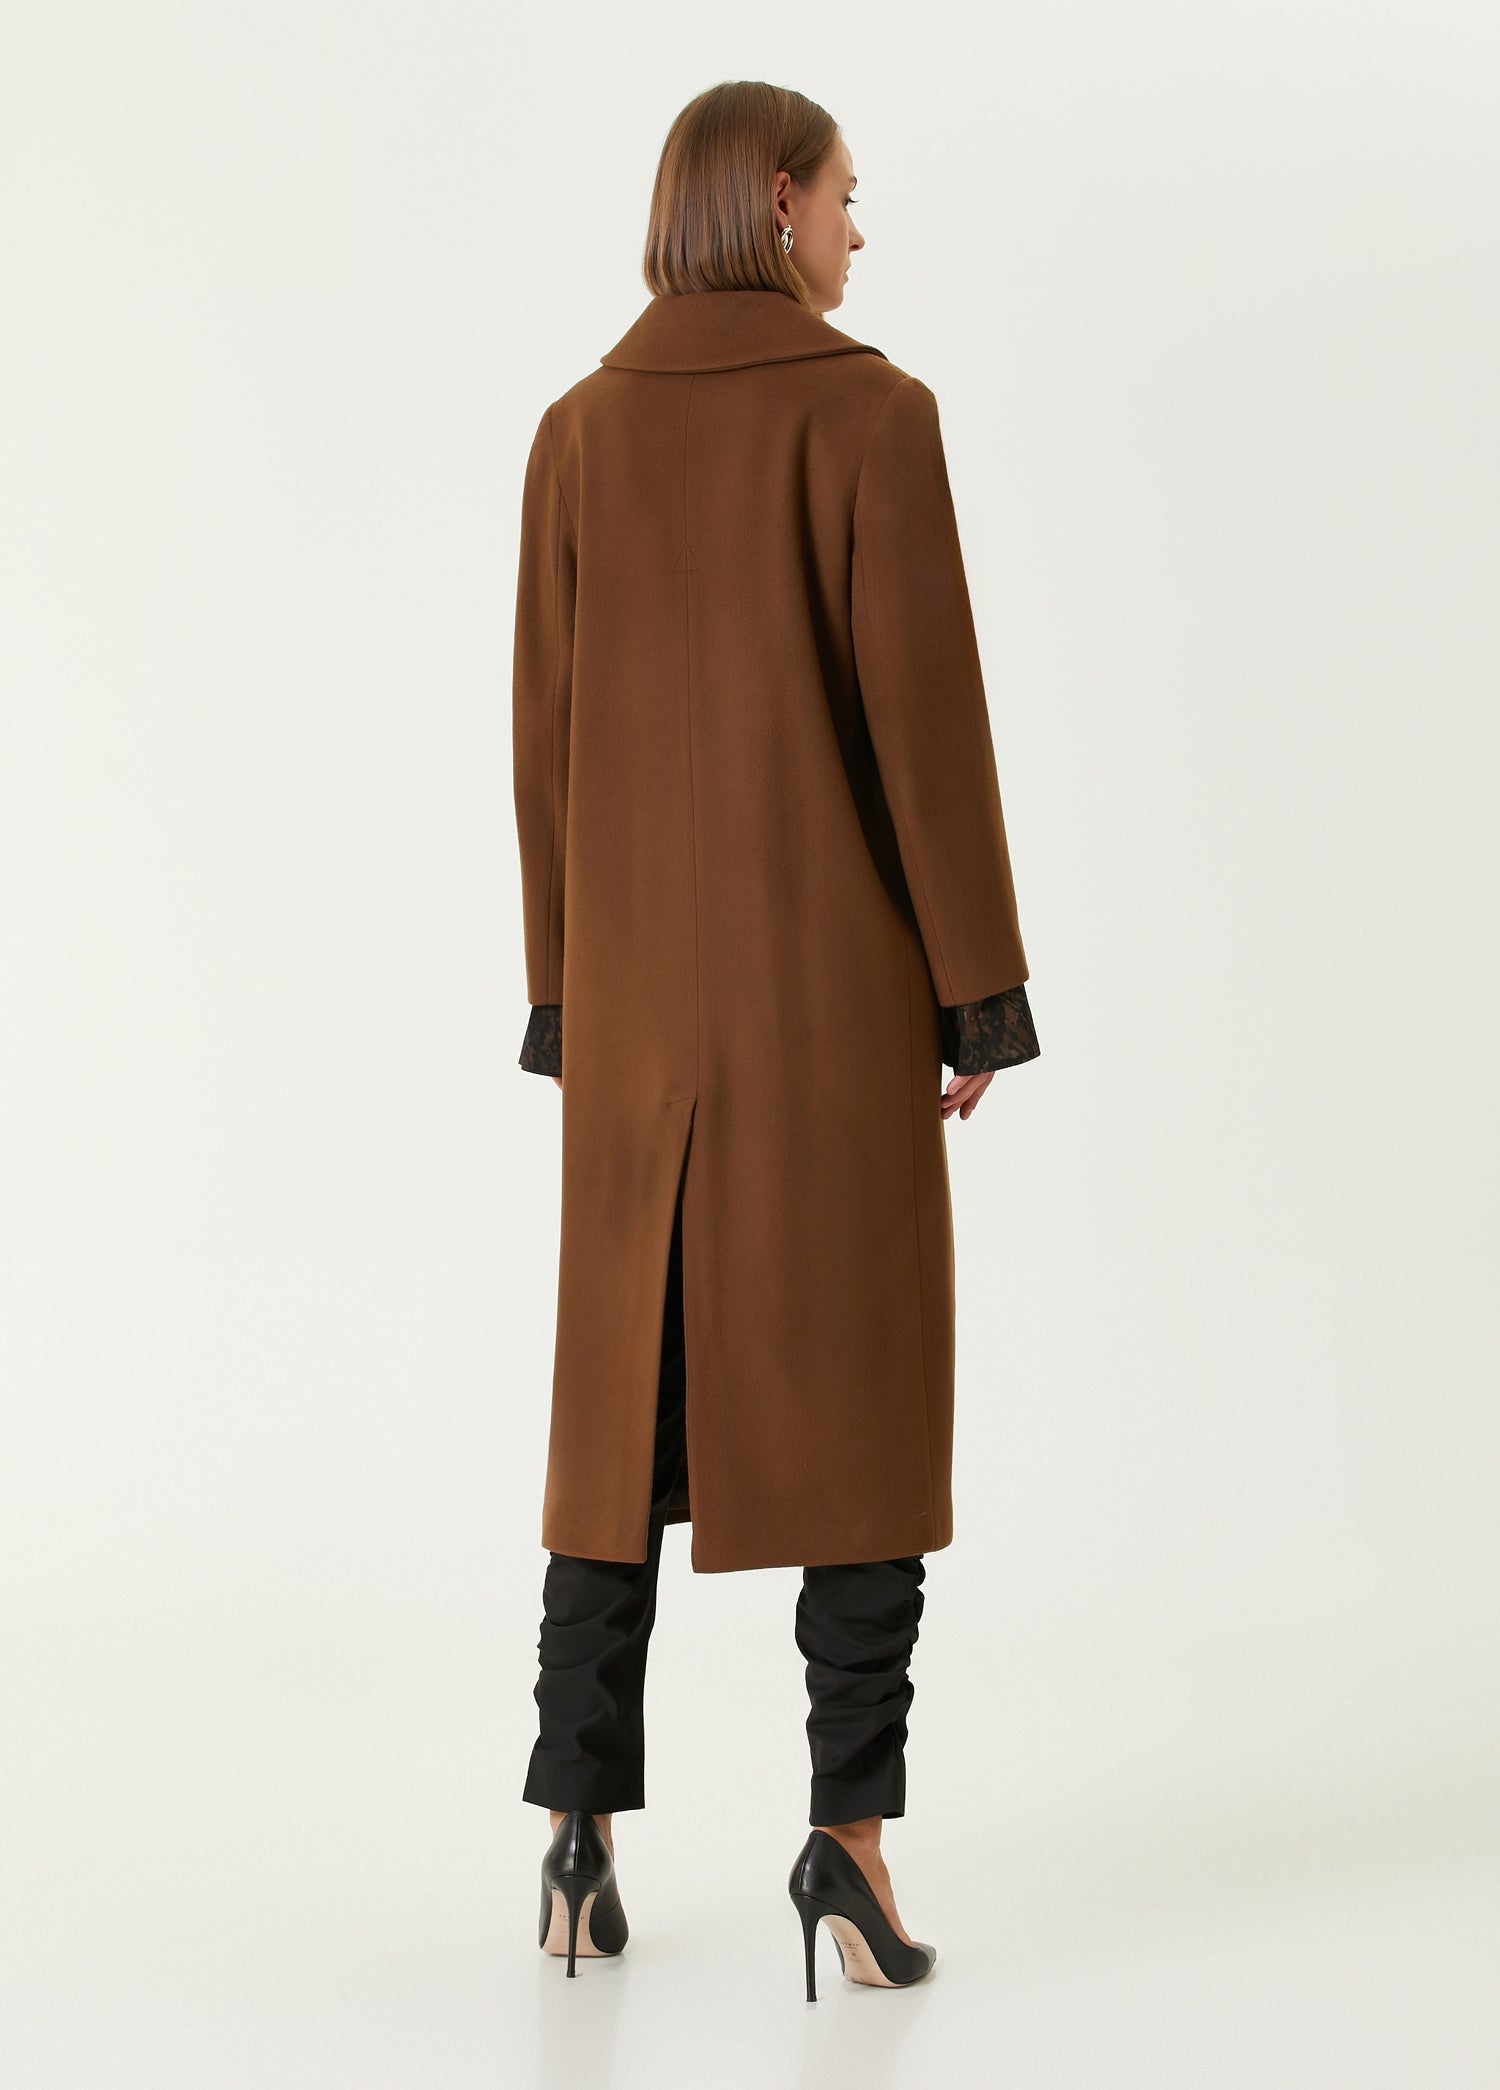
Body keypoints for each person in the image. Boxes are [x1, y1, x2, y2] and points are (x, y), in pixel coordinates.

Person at [511, 80, 1040, 1999]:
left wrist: (565, 994)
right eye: (845, 198)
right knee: (861, 1419)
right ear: (776, 204)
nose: (857, 233)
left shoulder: (579, 434)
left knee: (613, 1429)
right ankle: (849, 1848)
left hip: (635, 1019)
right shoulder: (872, 418)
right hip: (826, 1011)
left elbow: (546, 743)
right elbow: (928, 725)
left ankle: (577, 1843)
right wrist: (977, 988)